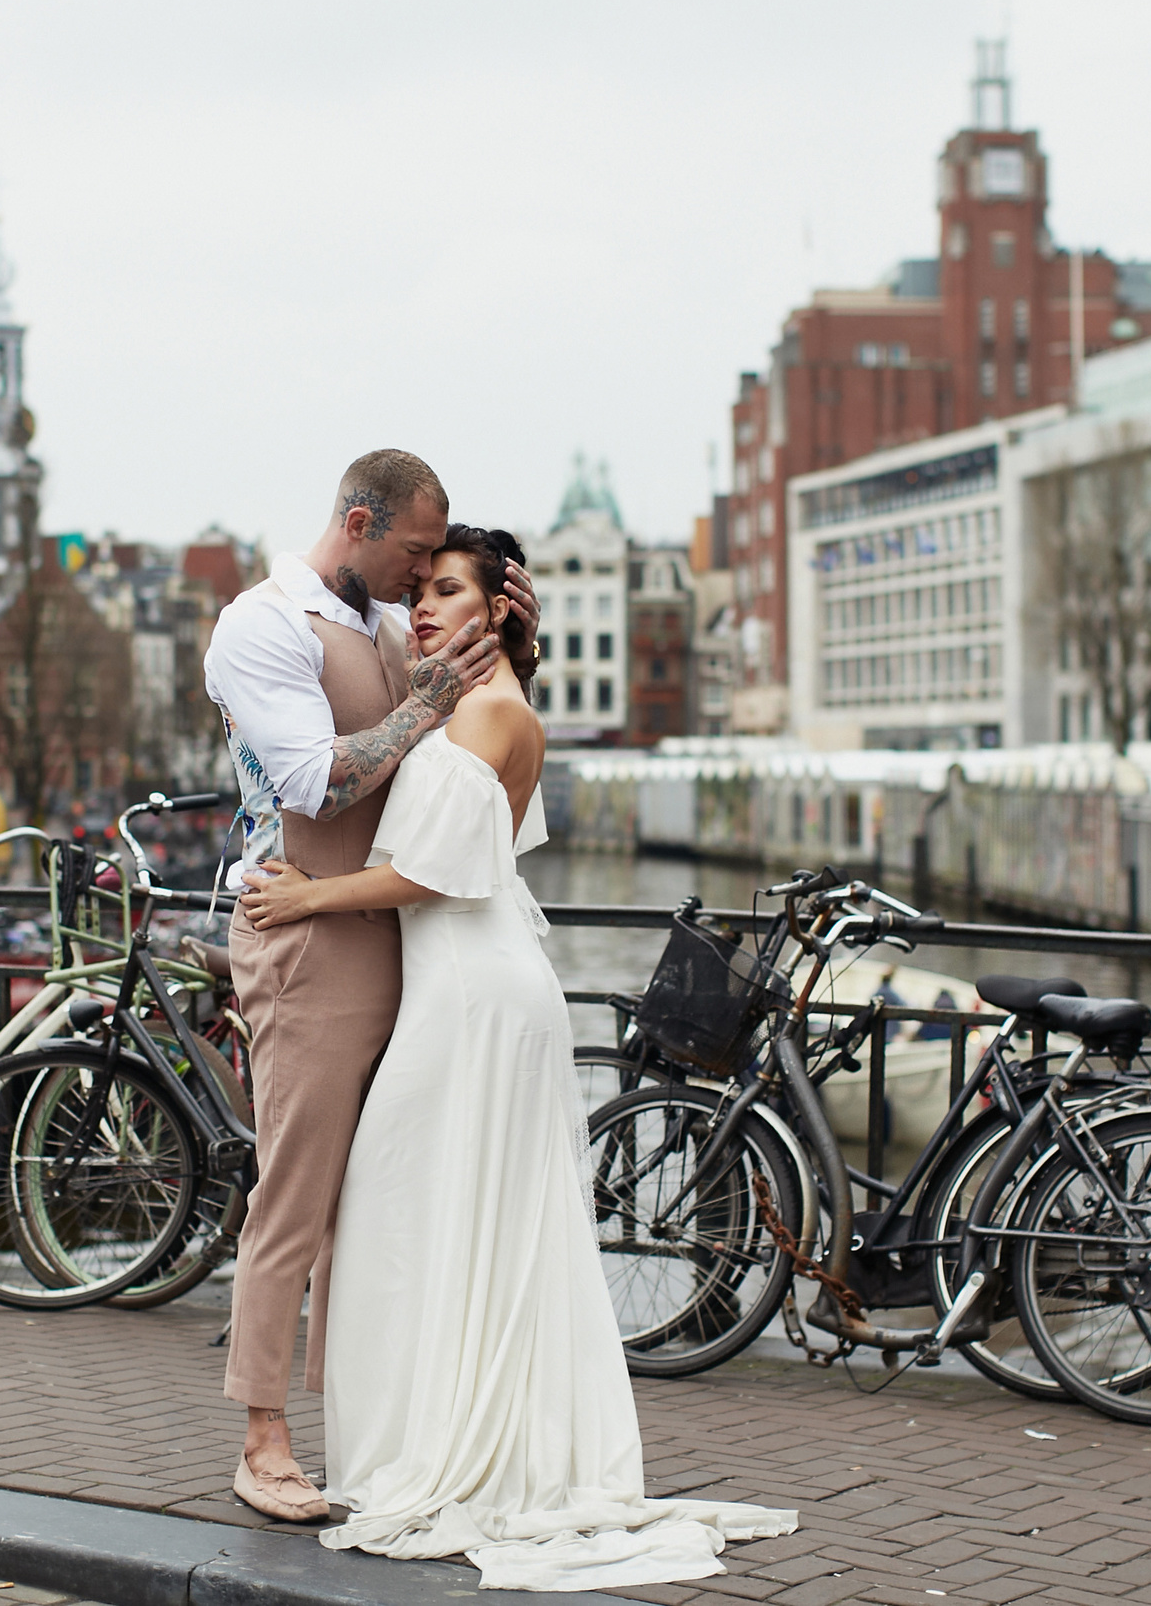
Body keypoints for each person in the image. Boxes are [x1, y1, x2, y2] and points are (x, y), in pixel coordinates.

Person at [240, 527, 795, 1590]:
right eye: (422, 593)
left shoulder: (490, 713)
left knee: (407, 1207)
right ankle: (449, 1429)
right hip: (472, 986)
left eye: (449, 592)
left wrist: (304, 896)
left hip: (473, 993)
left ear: (496, 608)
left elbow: (434, 875)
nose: (425, 610)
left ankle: (448, 1447)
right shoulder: (472, 702)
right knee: (450, 1213)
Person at [201, 449, 536, 1522]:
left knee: (375, 1205)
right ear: (357, 522)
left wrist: (514, 638)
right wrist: (425, 698)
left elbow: (481, 757)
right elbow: (313, 778)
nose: (418, 573)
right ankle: (261, 1441)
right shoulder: (262, 625)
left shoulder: (391, 631)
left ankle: (356, 1425)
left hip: (400, 942)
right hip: (307, 942)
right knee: (293, 1198)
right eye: (410, 554)